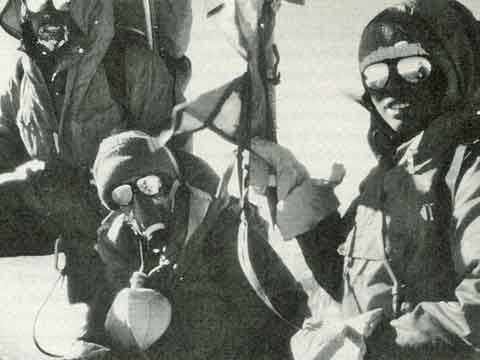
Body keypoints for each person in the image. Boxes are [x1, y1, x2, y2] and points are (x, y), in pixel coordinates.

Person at [249, 0, 480, 359]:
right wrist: (295, 189)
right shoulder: (384, 178)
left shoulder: (469, 167)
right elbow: (347, 280)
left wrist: (371, 343)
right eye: (374, 75)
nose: (392, 88)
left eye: (413, 68)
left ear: (449, 71)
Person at [0, 0, 196, 306]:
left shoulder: (128, 62)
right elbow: (7, 133)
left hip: (119, 217)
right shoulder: (26, 72)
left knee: (108, 333)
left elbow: (173, 153)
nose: (48, 11)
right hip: (55, 202)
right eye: (38, 0)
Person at [66, 130, 309, 360]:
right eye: (123, 194)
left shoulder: (222, 228)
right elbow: (93, 330)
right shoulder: (117, 246)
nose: (141, 204)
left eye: (148, 185)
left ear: (171, 183)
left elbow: (288, 311)